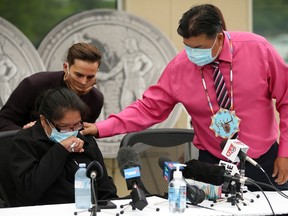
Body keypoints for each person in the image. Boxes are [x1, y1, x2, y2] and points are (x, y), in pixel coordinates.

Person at [81, 4, 288, 191]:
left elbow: (286, 100)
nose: (191, 54)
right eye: (187, 46)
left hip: (265, 159)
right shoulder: (179, 67)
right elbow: (149, 108)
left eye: (198, 48)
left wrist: (285, 152)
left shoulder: (258, 49)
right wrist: (103, 127)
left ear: (219, 37)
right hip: (211, 163)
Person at [10, 88, 117, 207]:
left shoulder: (84, 137)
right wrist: (61, 149)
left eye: (77, 124)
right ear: (44, 121)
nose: (71, 132)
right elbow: (30, 190)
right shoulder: (25, 141)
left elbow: (104, 187)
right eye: (64, 127)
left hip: (86, 209)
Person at [0, 42, 103, 132]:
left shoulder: (96, 99)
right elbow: (3, 121)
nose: (83, 82)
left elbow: (83, 135)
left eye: (90, 77)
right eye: (79, 75)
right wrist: (25, 133)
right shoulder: (34, 84)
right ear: (66, 67)